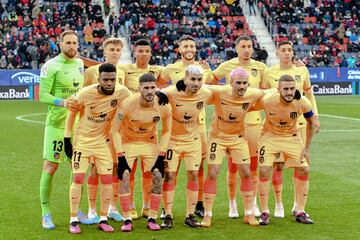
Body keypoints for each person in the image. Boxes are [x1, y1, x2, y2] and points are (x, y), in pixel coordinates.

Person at [64, 63, 132, 234]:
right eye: (106, 79)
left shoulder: (122, 92)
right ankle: (73, 220)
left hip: (104, 143)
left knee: (107, 181)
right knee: (78, 179)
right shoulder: (85, 94)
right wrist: (66, 139)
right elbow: (72, 113)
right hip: (83, 142)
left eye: (112, 79)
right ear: (98, 79)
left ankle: (103, 218)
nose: (110, 83)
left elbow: (135, 102)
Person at [208, 35, 267, 218]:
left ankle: (252, 203)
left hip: (254, 124)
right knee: (233, 166)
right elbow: (209, 82)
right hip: (230, 125)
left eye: (249, 46)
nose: (247, 49)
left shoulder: (261, 68)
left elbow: (264, 93)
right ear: (236, 48)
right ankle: (232, 204)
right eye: (243, 46)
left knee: (253, 167)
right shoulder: (227, 66)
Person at [261, 40, 320, 218]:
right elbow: (261, 96)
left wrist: (315, 116)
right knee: (277, 165)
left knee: (301, 165)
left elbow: (309, 95)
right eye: (283, 50)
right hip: (275, 126)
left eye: (290, 50)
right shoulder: (269, 72)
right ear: (277, 52)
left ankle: (298, 206)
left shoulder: (301, 70)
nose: (287, 53)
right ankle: (278, 204)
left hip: (298, 126)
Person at [158, 35, 213, 218]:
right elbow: (158, 85)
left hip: (199, 125)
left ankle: (197, 203)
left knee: (198, 166)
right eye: (185, 46)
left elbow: (212, 89)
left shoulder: (203, 69)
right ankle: (167, 207)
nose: (189, 49)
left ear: (195, 48)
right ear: (179, 49)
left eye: (192, 46)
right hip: (175, 126)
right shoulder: (170, 69)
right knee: (171, 168)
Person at [201, 67, 264, 227]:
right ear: (230, 83)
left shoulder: (252, 94)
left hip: (238, 138)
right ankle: (207, 215)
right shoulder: (220, 91)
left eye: (244, 83)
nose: (242, 86)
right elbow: (202, 86)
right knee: (213, 172)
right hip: (217, 138)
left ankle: (249, 214)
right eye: (238, 83)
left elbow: (269, 93)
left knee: (246, 172)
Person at [111, 73, 172, 232]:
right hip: (128, 142)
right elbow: (115, 131)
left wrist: (162, 154)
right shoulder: (127, 104)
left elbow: (167, 131)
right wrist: (120, 155)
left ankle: (152, 216)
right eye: (146, 88)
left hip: (150, 142)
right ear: (139, 89)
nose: (150, 91)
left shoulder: (163, 104)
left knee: (158, 175)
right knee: (124, 174)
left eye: (153, 87)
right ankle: (127, 218)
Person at [254, 75, 315, 225]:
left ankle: (300, 211)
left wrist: (306, 148)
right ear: (278, 89)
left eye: (292, 89)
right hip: (269, 136)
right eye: (285, 89)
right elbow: (248, 107)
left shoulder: (302, 102)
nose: (289, 92)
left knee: (304, 170)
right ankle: (264, 212)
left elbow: (311, 122)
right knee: (264, 170)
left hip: (291, 137)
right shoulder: (268, 100)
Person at [39, 30, 85, 230]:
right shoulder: (50, 66)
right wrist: (63, 102)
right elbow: (42, 96)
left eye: (75, 42)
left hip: (76, 127)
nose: (72, 46)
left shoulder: (80, 64)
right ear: (60, 44)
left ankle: (76, 211)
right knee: (51, 167)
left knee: (77, 168)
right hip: (56, 126)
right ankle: (45, 212)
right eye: (68, 43)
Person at [83, 37, 125, 223]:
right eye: (112, 49)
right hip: (96, 131)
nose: (115, 52)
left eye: (118, 49)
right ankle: (92, 209)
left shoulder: (122, 72)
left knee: (115, 168)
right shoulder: (92, 71)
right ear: (104, 52)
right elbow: (83, 100)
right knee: (94, 168)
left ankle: (111, 207)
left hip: (116, 130)